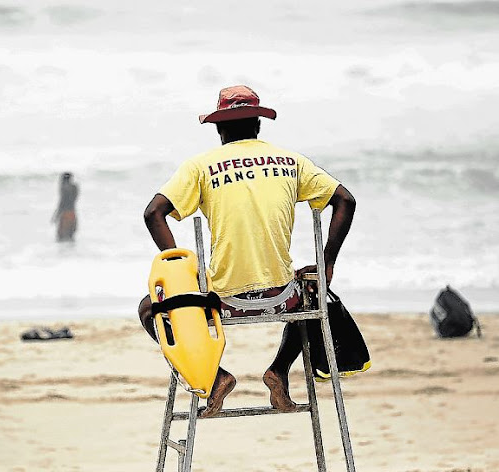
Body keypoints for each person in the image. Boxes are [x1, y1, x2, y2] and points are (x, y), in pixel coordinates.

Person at [137, 85, 356, 418]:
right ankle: (279, 371)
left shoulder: (201, 165)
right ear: (257, 125)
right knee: (312, 289)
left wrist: (182, 273)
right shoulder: (290, 161)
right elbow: (345, 201)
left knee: (147, 308)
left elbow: (153, 212)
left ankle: (214, 378)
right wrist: (327, 263)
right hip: (281, 297)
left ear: (219, 128)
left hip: (221, 302)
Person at [51, 172, 79, 242]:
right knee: (70, 239)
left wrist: (56, 216)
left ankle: (62, 253)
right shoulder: (75, 188)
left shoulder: (63, 188)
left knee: (61, 239)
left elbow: (62, 203)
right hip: (73, 214)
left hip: (65, 215)